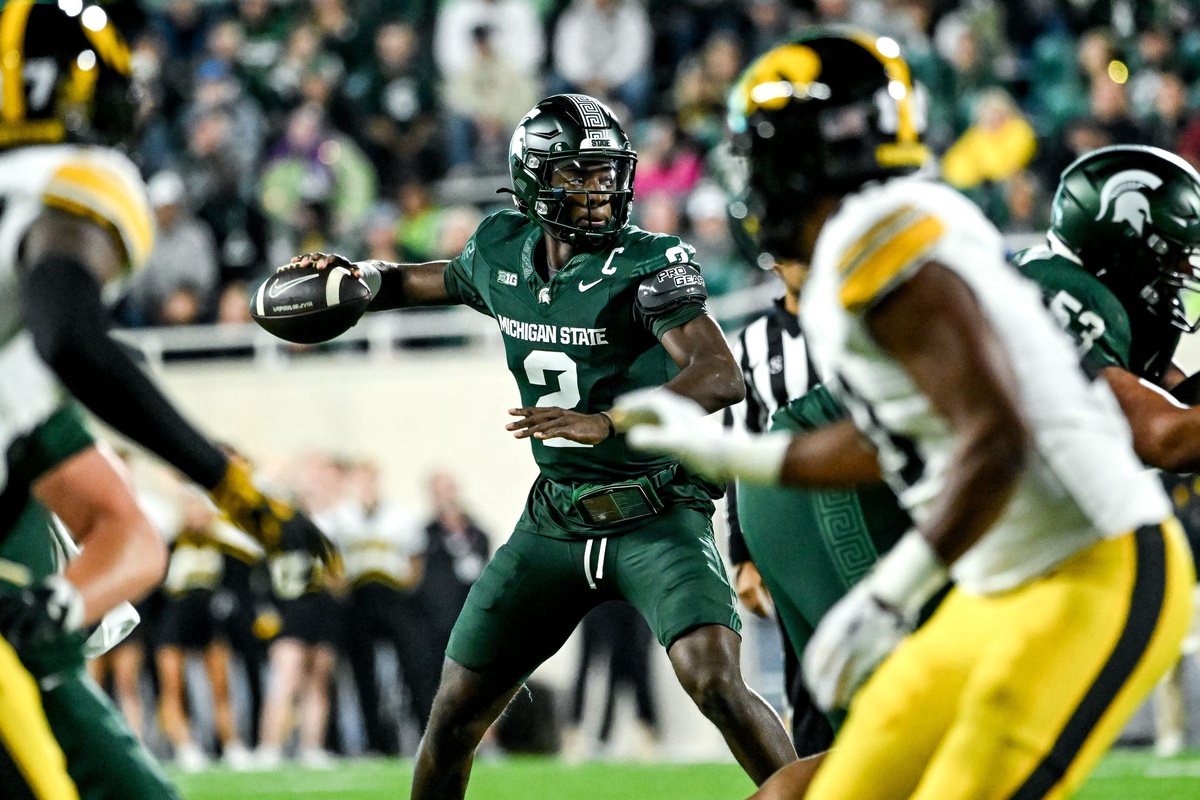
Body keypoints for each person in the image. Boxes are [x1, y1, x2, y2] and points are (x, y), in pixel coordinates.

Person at [615, 31, 1195, 800]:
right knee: (815, 789)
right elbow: (904, 437)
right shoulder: (857, 253)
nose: (753, 177)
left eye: (767, 152)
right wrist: (736, 458)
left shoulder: (875, 242)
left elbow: (998, 441)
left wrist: (888, 599)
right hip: (1002, 583)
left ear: (829, 149)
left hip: (1092, 568)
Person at [266, 93, 798, 795]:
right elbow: (414, 284)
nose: (601, 191)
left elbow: (718, 373)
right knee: (454, 714)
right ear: (532, 179)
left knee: (717, 683)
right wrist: (354, 278)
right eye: (579, 175)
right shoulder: (500, 250)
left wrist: (612, 422)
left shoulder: (648, 260)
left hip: (658, 511)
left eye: (607, 173)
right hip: (556, 518)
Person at [0, 3, 335, 798]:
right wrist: (233, 489)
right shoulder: (69, 183)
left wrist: (54, 606)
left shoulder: (19, 391)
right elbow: (71, 333)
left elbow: (121, 525)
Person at [721, 258, 910, 757]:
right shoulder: (752, 344)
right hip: (793, 525)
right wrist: (742, 551)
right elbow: (742, 451)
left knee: (890, 661)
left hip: (876, 511)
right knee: (811, 681)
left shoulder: (861, 319)